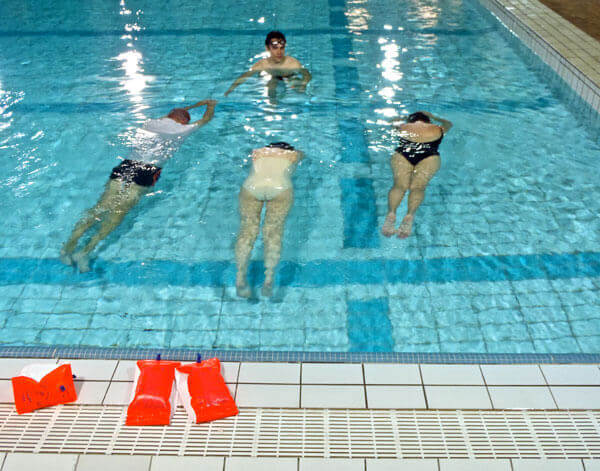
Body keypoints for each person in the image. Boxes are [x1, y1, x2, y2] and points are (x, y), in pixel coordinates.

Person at [60, 99, 217, 272]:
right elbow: (206, 119)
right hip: (146, 172)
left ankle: (67, 247)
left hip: (127, 166)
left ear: (170, 115)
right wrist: (210, 105)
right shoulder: (182, 130)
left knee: (100, 207)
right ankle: (85, 251)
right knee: (117, 214)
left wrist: (176, 112)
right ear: (184, 121)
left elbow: (167, 117)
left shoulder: (149, 123)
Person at [235, 142, 303, 298]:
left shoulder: (257, 152)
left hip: (252, 187)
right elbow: (301, 155)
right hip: (280, 188)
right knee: (273, 232)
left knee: (248, 230)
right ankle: (269, 278)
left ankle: (240, 278)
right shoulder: (293, 155)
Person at [381, 111, 452, 238]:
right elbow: (449, 123)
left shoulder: (403, 127)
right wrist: (434, 116)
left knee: (399, 186)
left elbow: (391, 120)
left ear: (411, 120)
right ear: (428, 121)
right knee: (418, 187)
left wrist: (404, 117)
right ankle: (410, 215)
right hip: (430, 156)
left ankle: (391, 213)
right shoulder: (437, 129)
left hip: (403, 154)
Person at [224, 31, 311, 100]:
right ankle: (273, 108)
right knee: (271, 88)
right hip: (273, 75)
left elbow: (307, 75)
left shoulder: (292, 63)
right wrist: (230, 89)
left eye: (282, 48)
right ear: (267, 48)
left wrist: (304, 83)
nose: (279, 52)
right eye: (275, 48)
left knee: (300, 90)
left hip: (289, 75)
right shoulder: (262, 64)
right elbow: (244, 77)